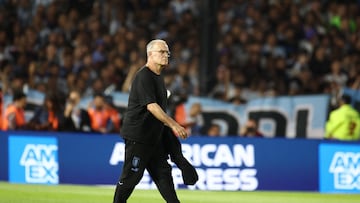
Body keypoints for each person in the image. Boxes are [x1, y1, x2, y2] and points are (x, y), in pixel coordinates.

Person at [113, 39, 189, 203]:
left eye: (167, 52)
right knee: (131, 177)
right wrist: (174, 124)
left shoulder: (158, 78)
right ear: (150, 54)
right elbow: (152, 107)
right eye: (161, 52)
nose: (165, 55)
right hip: (138, 137)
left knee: (163, 174)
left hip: (153, 138)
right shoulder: (144, 76)